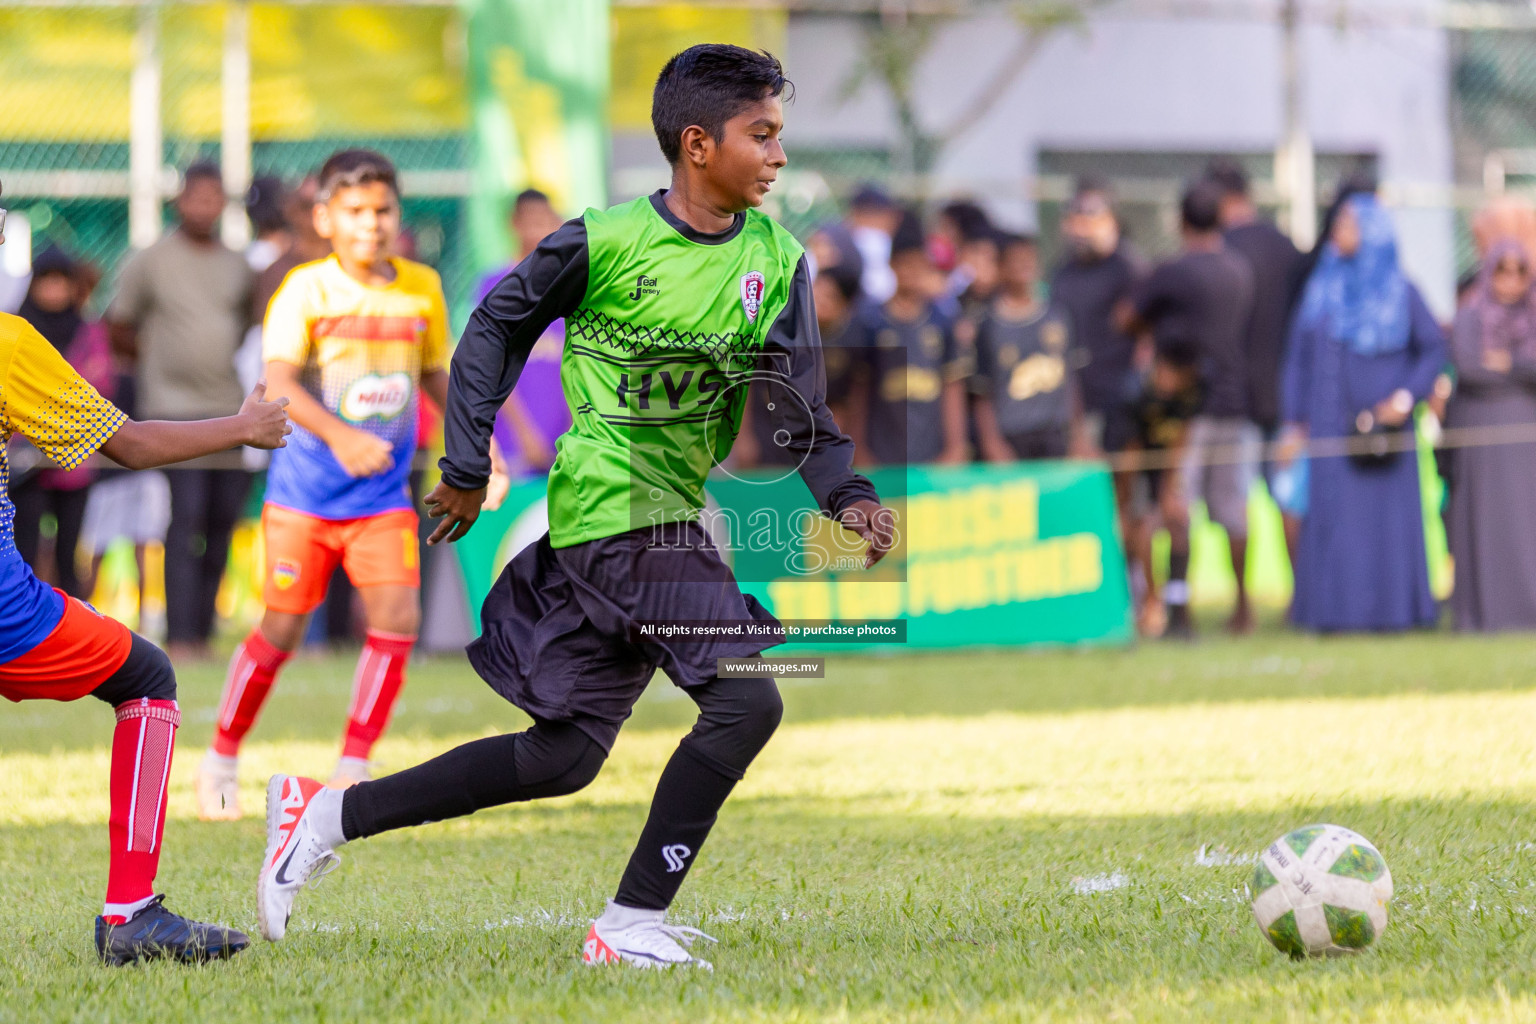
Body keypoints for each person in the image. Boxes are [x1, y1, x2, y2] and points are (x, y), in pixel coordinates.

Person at [255, 43, 895, 970]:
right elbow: (494, 328)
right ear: (698, 143)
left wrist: (852, 498)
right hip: (614, 510)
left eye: (780, 136)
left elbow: (802, 419)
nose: (779, 156)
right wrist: (467, 457)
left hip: (666, 514)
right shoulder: (601, 240)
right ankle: (630, 922)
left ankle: (326, 816)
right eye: (763, 135)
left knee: (563, 757)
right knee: (749, 699)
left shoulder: (780, 264)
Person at [0, 182, 291, 964]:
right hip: (5, 615)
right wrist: (244, 426)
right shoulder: (6, 344)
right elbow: (124, 445)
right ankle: (130, 914)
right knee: (147, 677)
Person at [195, 150, 452, 818]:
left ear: (399, 213)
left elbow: (436, 379)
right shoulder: (305, 289)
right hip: (304, 497)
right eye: (356, 212)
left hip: (383, 499)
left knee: (398, 618)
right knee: (280, 629)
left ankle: (352, 768)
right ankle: (222, 754)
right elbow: (277, 385)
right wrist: (341, 436)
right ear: (325, 218)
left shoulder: (422, 286)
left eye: (383, 210)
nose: (372, 224)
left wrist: (484, 450)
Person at [107, 161, 254, 662]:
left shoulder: (238, 264)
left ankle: (206, 631)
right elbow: (119, 324)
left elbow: (249, 325)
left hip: (230, 413)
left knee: (222, 522)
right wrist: (157, 365)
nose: (205, 207)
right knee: (184, 520)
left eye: (215, 198)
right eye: (197, 197)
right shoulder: (150, 259)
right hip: (172, 411)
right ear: (180, 201)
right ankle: (180, 633)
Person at [1279, 193, 1445, 633]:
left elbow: (1431, 350)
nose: (1340, 234)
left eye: (1350, 226)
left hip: (1385, 434)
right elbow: (1298, 357)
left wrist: (1405, 398)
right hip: (1331, 427)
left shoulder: (1401, 292)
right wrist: (1293, 421)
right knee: (1335, 522)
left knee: (1386, 524)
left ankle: (1395, 613)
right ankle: (1334, 614)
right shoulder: (1321, 290)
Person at [1124, 182, 1255, 637]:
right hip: (1234, 404)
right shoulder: (1240, 271)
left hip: (1188, 408)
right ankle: (1243, 605)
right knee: (1233, 510)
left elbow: (1126, 317)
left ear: (1181, 222)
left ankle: (1178, 610)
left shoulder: (1172, 272)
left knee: (1175, 508)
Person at [1206, 159, 1306, 562]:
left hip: (1237, 398)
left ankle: (1243, 606)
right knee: (1288, 497)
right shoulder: (1284, 245)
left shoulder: (1220, 250)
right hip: (1283, 393)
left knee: (1237, 502)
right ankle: (1300, 597)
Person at [10, 247, 114, 598]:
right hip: (22, 461)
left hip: (75, 459)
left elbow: (100, 385)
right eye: (46, 282)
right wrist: (61, 402)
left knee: (70, 549)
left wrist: (39, 404)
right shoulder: (17, 330)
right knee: (21, 548)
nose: (54, 290)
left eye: (61, 282)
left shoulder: (88, 331)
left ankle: (72, 619)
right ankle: (24, 615)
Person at [1446, 240, 1536, 631]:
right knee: (1483, 518)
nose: (1511, 280)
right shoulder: (1470, 317)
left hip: (1525, 434)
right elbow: (1469, 369)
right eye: (1503, 270)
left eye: (1520, 271)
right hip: (1481, 432)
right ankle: (1484, 613)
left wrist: (1507, 364)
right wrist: (1521, 373)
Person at [847, 210, 971, 466]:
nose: (910, 271)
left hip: (933, 454)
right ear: (891, 264)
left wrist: (956, 447)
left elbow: (953, 386)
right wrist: (859, 449)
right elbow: (859, 389)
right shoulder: (871, 321)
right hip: (882, 455)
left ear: (927, 265)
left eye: (917, 263)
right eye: (904, 263)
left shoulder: (943, 320)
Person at [477, 190, 571, 481]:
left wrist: (573, 429)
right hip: (513, 450)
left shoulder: (572, 287)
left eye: (547, 221)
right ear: (514, 224)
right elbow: (491, 368)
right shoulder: (495, 286)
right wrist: (525, 436)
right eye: (532, 221)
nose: (540, 229)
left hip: (567, 445)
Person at [1051, 180, 1142, 458]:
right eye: (1076, 216)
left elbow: (1144, 334)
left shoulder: (1128, 268)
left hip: (1117, 397)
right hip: (1071, 396)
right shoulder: (1063, 270)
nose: (1082, 226)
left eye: (1091, 216)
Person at [971, 233, 1078, 460]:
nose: (1024, 266)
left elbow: (1071, 379)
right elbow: (981, 392)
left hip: (1055, 433)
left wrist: (1078, 437)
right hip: (1012, 435)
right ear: (1000, 267)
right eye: (1016, 260)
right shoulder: (987, 325)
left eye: (1029, 259)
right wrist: (992, 442)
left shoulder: (1057, 315)